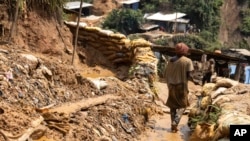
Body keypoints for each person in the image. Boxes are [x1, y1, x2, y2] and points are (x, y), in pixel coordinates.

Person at [164, 42, 194, 133]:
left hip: (171, 86)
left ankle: (172, 124)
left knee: (172, 105)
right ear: (185, 51)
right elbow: (190, 74)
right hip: (181, 86)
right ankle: (175, 122)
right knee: (183, 105)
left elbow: (165, 73)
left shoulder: (170, 60)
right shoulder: (187, 61)